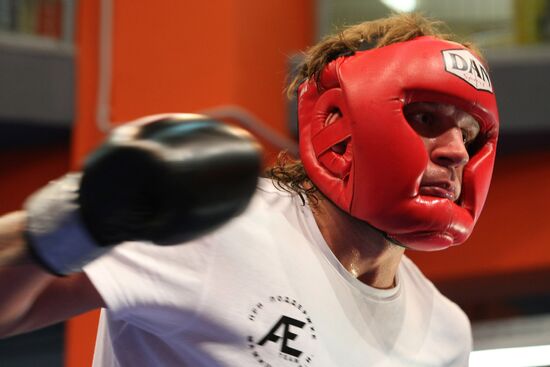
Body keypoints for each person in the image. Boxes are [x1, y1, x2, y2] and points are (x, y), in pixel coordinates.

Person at [0, 13, 498, 367]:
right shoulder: (221, 225)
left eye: (469, 135)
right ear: (339, 124)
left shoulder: (445, 334)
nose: (455, 152)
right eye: (425, 118)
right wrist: (77, 216)